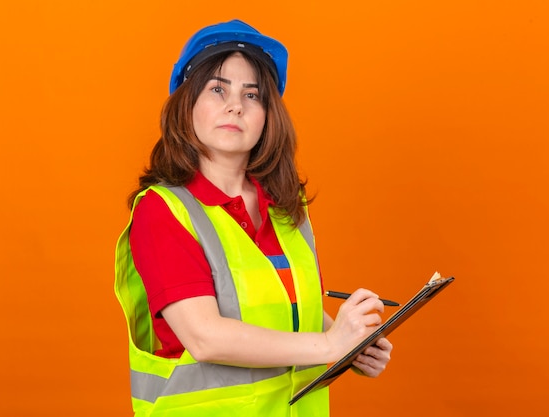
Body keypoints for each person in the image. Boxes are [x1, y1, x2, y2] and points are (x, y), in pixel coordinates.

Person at [114, 19, 393, 417]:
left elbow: (291, 308)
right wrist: (330, 345)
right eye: (217, 89)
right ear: (186, 104)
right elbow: (205, 336)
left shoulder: (285, 206)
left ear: (267, 116)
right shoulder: (162, 211)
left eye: (253, 94)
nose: (236, 105)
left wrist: (351, 341)